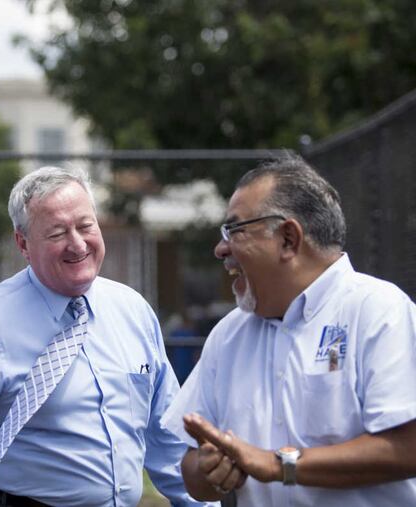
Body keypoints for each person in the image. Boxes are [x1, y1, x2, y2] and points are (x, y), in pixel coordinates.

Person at [0, 166, 210, 507]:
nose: (77, 244)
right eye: (57, 233)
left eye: (85, 226)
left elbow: (167, 437)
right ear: (23, 243)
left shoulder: (132, 311)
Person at [161, 157, 416, 506]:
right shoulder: (229, 334)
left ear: (288, 239)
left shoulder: (378, 311)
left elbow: (407, 448)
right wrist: (208, 470)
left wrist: (279, 464)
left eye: (235, 231)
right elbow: (191, 467)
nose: (221, 249)